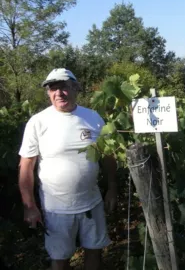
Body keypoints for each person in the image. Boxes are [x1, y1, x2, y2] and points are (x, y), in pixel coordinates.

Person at [19, 68, 117, 270]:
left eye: (63, 87)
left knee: (94, 251)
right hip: (56, 208)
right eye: (53, 89)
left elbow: (108, 156)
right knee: (60, 258)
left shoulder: (92, 117)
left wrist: (112, 188)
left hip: (92, 202)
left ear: (75, 88)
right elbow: (26, 165)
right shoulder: (38, 122)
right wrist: (29, 205)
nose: (58, 93)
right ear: (48, 93)